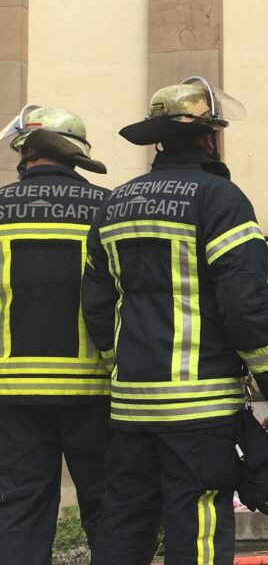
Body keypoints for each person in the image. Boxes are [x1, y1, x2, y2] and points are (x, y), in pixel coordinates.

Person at [82, 77, 268, 564]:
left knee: (124, 522)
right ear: (209, 137)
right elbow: (243, 304)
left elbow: (96, 304)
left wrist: (123, 362)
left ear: (158, 140)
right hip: (198, 410)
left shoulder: (115, 204)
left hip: (131, 406)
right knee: (196, 524)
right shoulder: (222, 199)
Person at [0, 106, 110, 565]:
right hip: (95, 387)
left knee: (20, 509)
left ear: (26, 153)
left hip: (13, 391)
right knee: (109, 508)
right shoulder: (108, 207)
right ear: (79, 158)